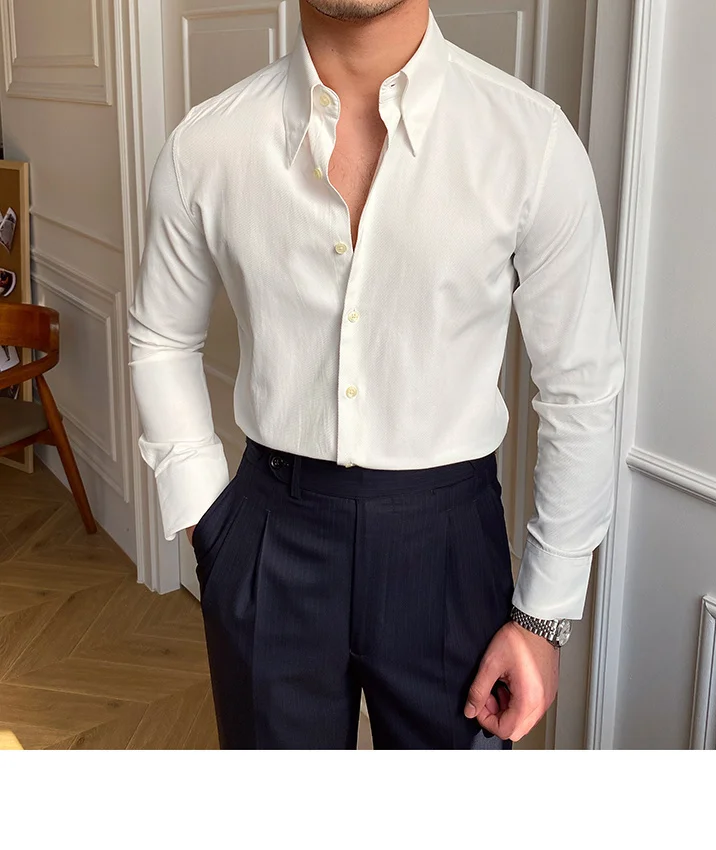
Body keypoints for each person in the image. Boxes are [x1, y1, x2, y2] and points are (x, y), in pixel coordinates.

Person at [128, 0, 625, 749]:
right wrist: (210, 525)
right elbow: (162, 335)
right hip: (268, 534)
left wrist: (544, 615)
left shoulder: (531, 140)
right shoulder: (207, 144)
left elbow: (580, 386)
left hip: (450, 545)